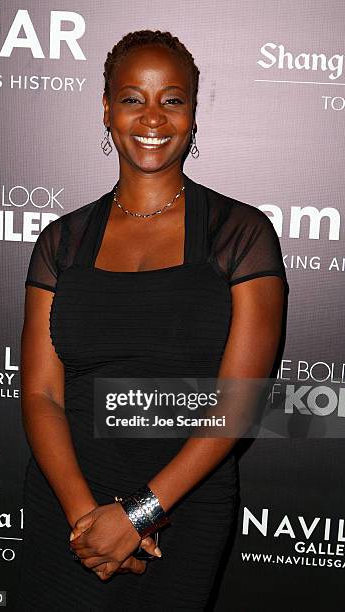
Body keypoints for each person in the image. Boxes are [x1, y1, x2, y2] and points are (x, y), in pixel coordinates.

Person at [16, 30, 288, 611]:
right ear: (107, 110)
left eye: (173, 98)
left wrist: (140, 513)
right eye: (132, 97)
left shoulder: (240, 235)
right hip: (67, 510)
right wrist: (86, 520)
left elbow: (240, 402)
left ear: (193, 111)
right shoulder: (60, 242)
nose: (153, 117)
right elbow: (40, 392)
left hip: (184, 507)